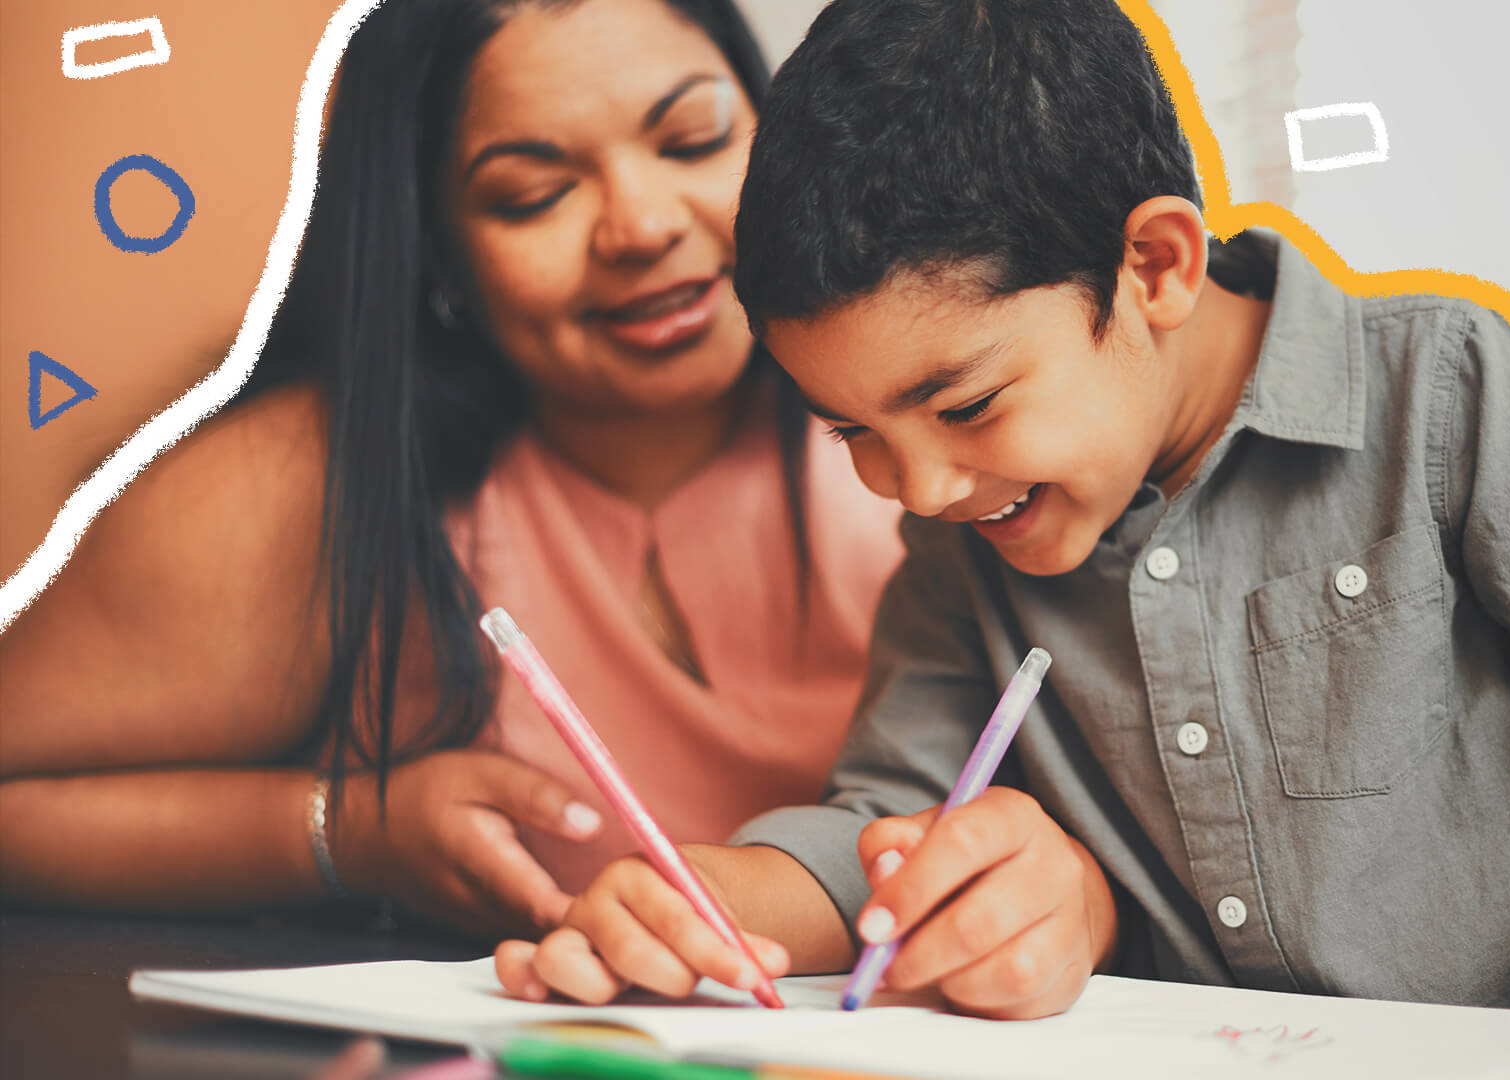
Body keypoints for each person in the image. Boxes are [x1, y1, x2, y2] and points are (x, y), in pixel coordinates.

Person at [495, 1, 1510, 1077]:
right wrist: (710, 903)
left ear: (1156, 265)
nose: (912, 488)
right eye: (849, 430)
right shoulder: (965, 532)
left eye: (963, 402)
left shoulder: (1439, 385)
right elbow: (888, 829)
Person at [0, 0, 901, 941]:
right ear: (436, 249)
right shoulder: (311, 484)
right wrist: (343, 831)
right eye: (531, 194)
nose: (640, 225)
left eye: (693, 139)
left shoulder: (945, 406)